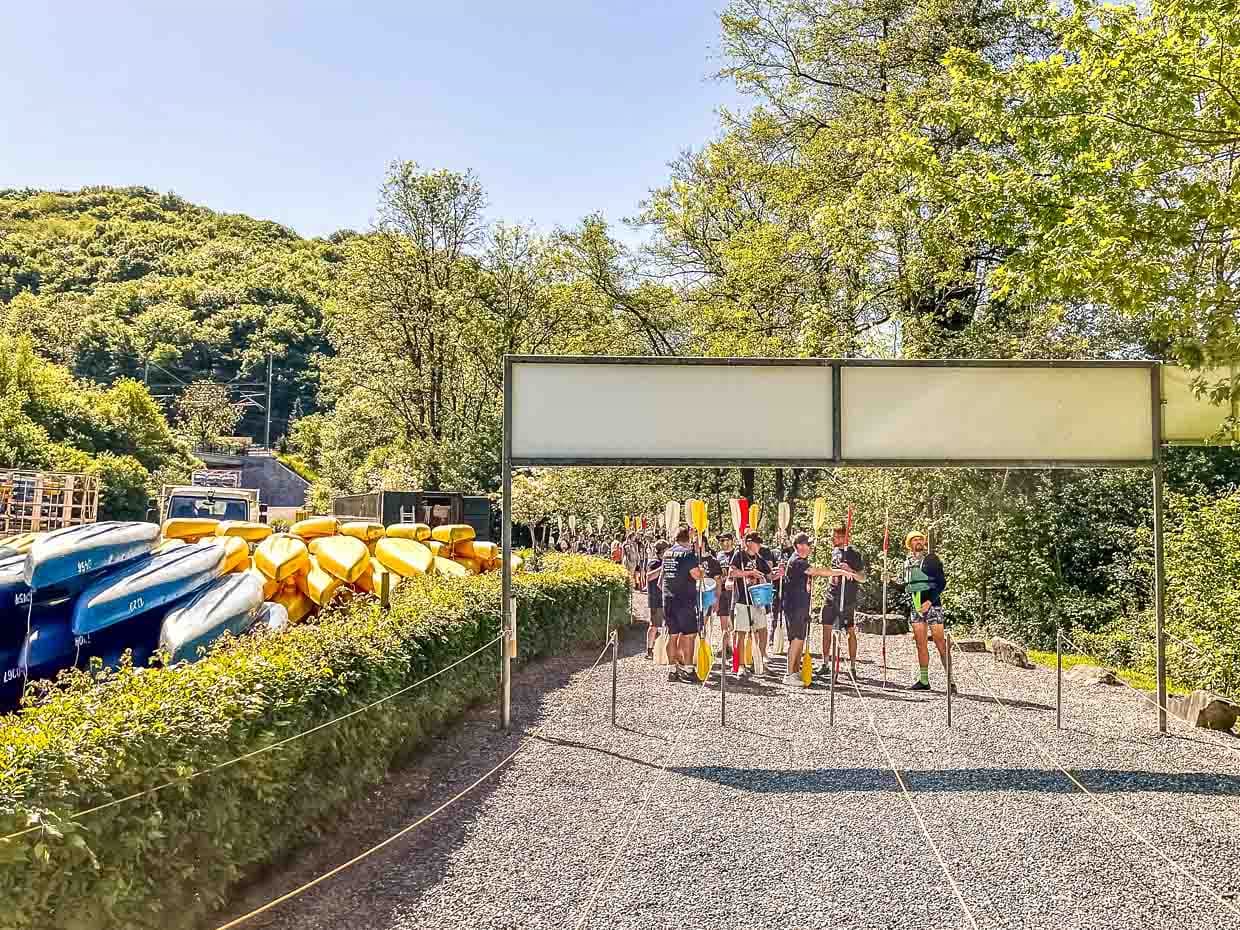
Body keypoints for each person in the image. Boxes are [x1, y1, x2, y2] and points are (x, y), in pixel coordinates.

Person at [778, 533, 844, 687]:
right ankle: (789, 674)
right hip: (794, 607)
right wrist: (840, 572)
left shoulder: (802, 561)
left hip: (801, 606)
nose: (810, 547)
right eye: (808, 544)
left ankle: (795, 671)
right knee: (795, 639)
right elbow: (818, 571)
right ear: (800, 545)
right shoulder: (797, 560)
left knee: (800, 639)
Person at [903, 530, 951, 692]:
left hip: (933, 606)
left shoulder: (932, 560)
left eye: (920, 540)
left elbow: (941, 583)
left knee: (940, 641)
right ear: (910, 544)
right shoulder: (907, 562)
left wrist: (929, 601)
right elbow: (908, 585)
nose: (918, 542)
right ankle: (924, 680)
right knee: (920, 643)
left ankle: (950, 680)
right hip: (916, 608)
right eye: (915, 540)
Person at [820, 524, 867, 679]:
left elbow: (863, 578)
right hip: (831, 595)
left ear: (845, 537)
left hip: (847, 598)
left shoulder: (853, 554)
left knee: (849, 630)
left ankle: (852, 666)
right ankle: (825, 663)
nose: (834, 538)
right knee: (826, 628)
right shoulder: (834, 551)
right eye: (834, 535)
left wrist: (851, 571)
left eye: (837, 536)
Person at [661, 525, 704, 682]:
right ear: (689, 538)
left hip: (668, 598)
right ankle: (688, 669)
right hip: (684, 599)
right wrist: (701, 570)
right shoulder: (688, 554)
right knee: (690, 635)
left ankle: (672, 670)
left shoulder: (667, 553)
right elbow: (697, 575)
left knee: (672, 636)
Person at [729, 531, 773, 678]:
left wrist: (778, 573)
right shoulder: (739, 555)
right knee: (741, 633)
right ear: (748, 542)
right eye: (756, 542)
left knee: (763, 630)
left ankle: (758, 660)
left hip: (758, 600)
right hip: (743, 600)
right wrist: (749, 573)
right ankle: (740, 665)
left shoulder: (760, 558)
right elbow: (732, 573)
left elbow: (768, 574)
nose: (759, 545)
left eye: (760, 542)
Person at [645, 541, 668, 659]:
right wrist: (662, 567)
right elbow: (649, 577)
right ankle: (649, 650)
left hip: (665, 598)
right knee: (654, 625)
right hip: (655, 598)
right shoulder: (653, 562)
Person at [715, 532, 737, 659]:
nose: (724, 543)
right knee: (723, 619)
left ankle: (735, 648)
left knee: (734, 621)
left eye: (726, 540)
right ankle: (725, 646)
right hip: (722, 592)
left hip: (735, 592)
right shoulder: (719, 555)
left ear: (732, 541)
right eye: (721, 541)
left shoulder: (737, 554)